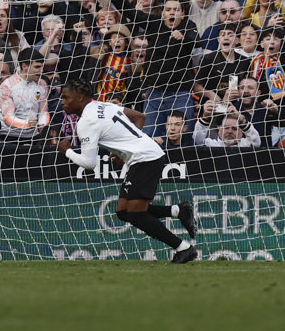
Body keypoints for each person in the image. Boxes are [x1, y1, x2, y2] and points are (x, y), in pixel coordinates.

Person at [59, 79, 198, 263]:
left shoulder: (86, 122)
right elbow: (140, 116)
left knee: (135, 213)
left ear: (79, 97)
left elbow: (89, 163)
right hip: (143, 156)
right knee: (123, 212)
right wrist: (124, 149)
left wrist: (67, 151)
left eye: (65, 97)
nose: (62, 101)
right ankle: (178, 210)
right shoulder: (104, 105)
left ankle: (184, 248)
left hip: (146, 158)